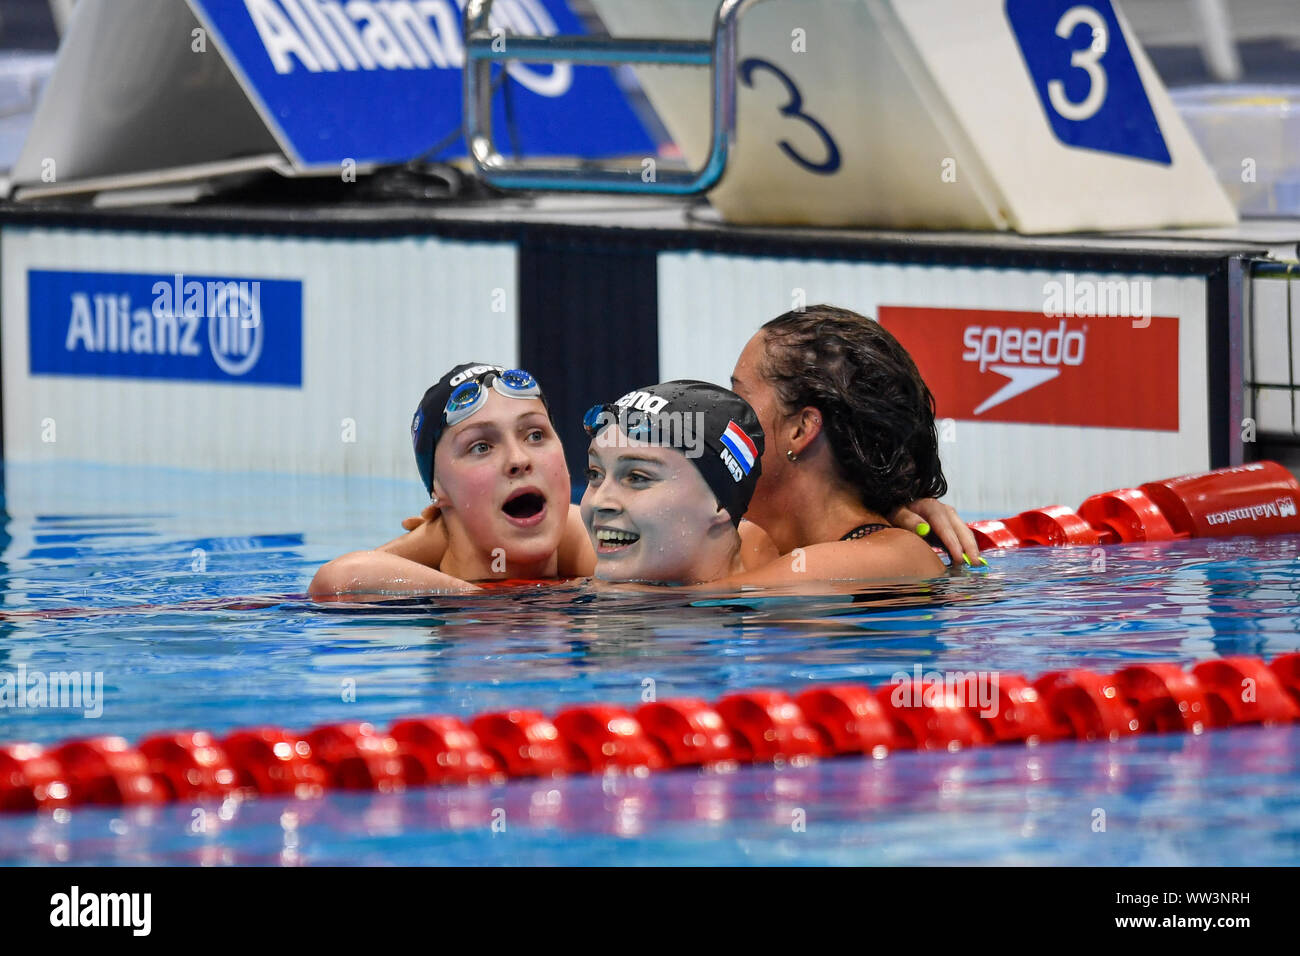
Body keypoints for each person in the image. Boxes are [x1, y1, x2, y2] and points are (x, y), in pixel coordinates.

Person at [309, 363, 586, 597]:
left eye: (535, 435)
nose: (518, 460)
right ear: (438, 489)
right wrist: (479, 598)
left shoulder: (598, 540)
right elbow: (337, 582)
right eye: (481, 446)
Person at [581, 380, 773, 585]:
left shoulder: (775, 610)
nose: (599, 502)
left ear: (719, 502)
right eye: (595, 475)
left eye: (637, 477)